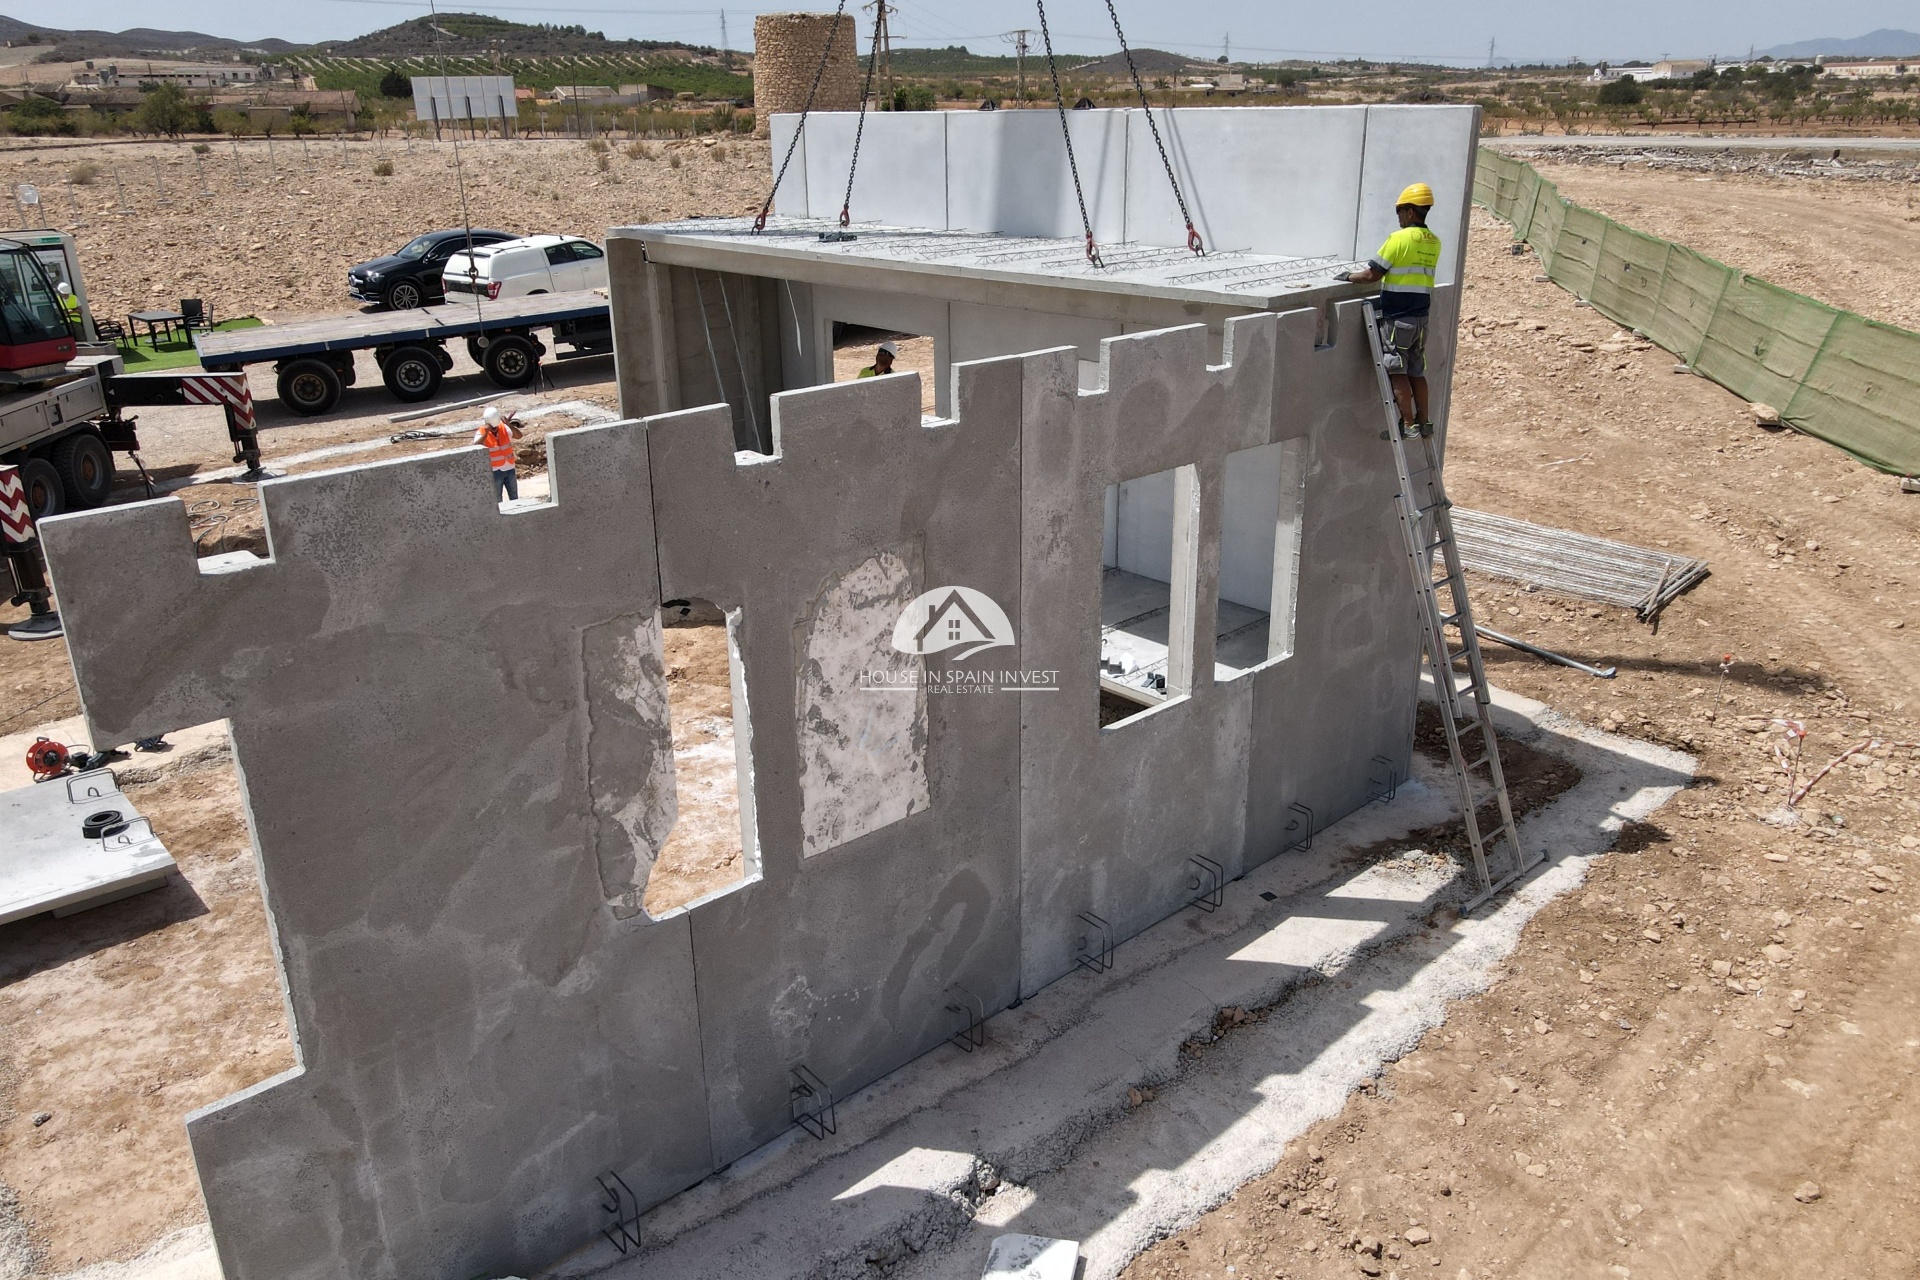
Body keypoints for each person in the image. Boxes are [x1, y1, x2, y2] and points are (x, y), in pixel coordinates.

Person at [1341, 182, 1442, 438]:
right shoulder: (1434, 241)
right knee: (1417, 371)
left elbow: (1371, 275)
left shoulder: (1398, 239)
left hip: (1398, 319)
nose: (1398, 217)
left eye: (1399, 211)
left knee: (1397, 370)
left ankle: (1407, 425)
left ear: (1410, 211)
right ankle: (1424, 422)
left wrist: (1347, 277)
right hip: (1421, 319)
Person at [474, 405, 525, 501]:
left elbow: (519, 436)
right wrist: (486, 433)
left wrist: (509, 425)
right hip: (495, 471)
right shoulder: (481, 432)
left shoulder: (503, 427)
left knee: (514, 496)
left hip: (509, 467)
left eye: (496, 427)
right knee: (497, 498)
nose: (495, 429)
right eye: (492, 428)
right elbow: (476, 446)